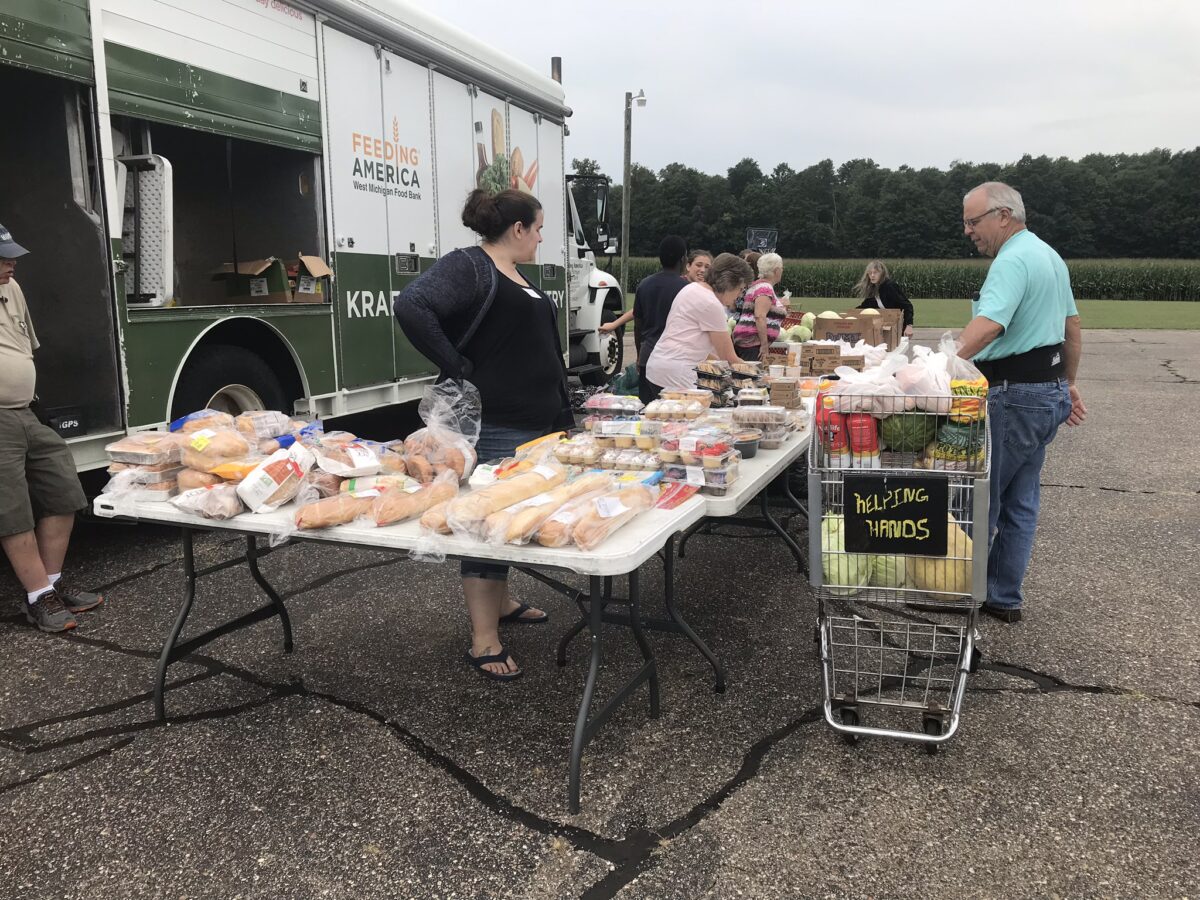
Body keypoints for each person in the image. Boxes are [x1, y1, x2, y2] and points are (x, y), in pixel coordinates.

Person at [394, 189, 574, 681]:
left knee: (508, 518)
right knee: (481, 524)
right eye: (537, 228)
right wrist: (456, 365)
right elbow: (412, 305)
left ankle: (503, 601)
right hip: (494, 423)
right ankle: (483, 640)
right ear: (517, 228)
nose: (540, 237)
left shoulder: (518, 274)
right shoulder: (472, 265)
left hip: (535, 422)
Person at [956, 182, 1087, 624]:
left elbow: (990, 325)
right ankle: (1003, 594)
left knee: (982, 498)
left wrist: (943, 366)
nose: (968, 231)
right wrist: (1067, 383)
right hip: (1045, 391)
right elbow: (1071, 327)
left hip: (1013, 394)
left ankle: (966, 593)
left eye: (974, 222)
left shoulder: (1011, 260)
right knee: (1021, 500)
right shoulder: (1049, 256)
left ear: (1003, 216)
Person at [0, 225, 100, 632]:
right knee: (12, 512)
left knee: (64, 491)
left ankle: (51, 585)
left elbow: (26, 347)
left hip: (26, 411)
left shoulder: (13, 289)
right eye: (3, 258)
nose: (12, 264)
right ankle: (38, 597)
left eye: (11, 256)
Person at [644, 253, 754, 393]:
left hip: (659, 366)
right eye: (740, 289)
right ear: (730, 283)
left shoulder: (692, 288)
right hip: (676, 375)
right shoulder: (711, 304)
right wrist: (760, 376)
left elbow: (696, 344)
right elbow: (728, 357)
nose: (739, 294)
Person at [599, 235, 688, 404]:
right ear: (683, 259)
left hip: (649, 355)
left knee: (648, 411)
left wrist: (640, 356)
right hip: (674, 360)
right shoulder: (686, 289)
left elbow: (638, 325)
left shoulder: (645, 285)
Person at [731, 252, 787, 361]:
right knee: (750, 375)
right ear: (776, 270)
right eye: (781, 268)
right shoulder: (765, 288)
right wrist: (764, 345)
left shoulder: (758, 286)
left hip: (748, 340)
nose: (782, 271)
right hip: (752, 342)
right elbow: (760, 316)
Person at [854, 260, 914, 336]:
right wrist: (848, 315)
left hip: (898, 327)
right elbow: (865, 307)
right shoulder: (873, 289)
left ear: (882, 274)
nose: (872, 275)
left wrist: (909, 326)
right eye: (870, 273)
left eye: (875, 272)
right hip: (885, 326)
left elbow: (907, 305)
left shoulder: (890, 286)